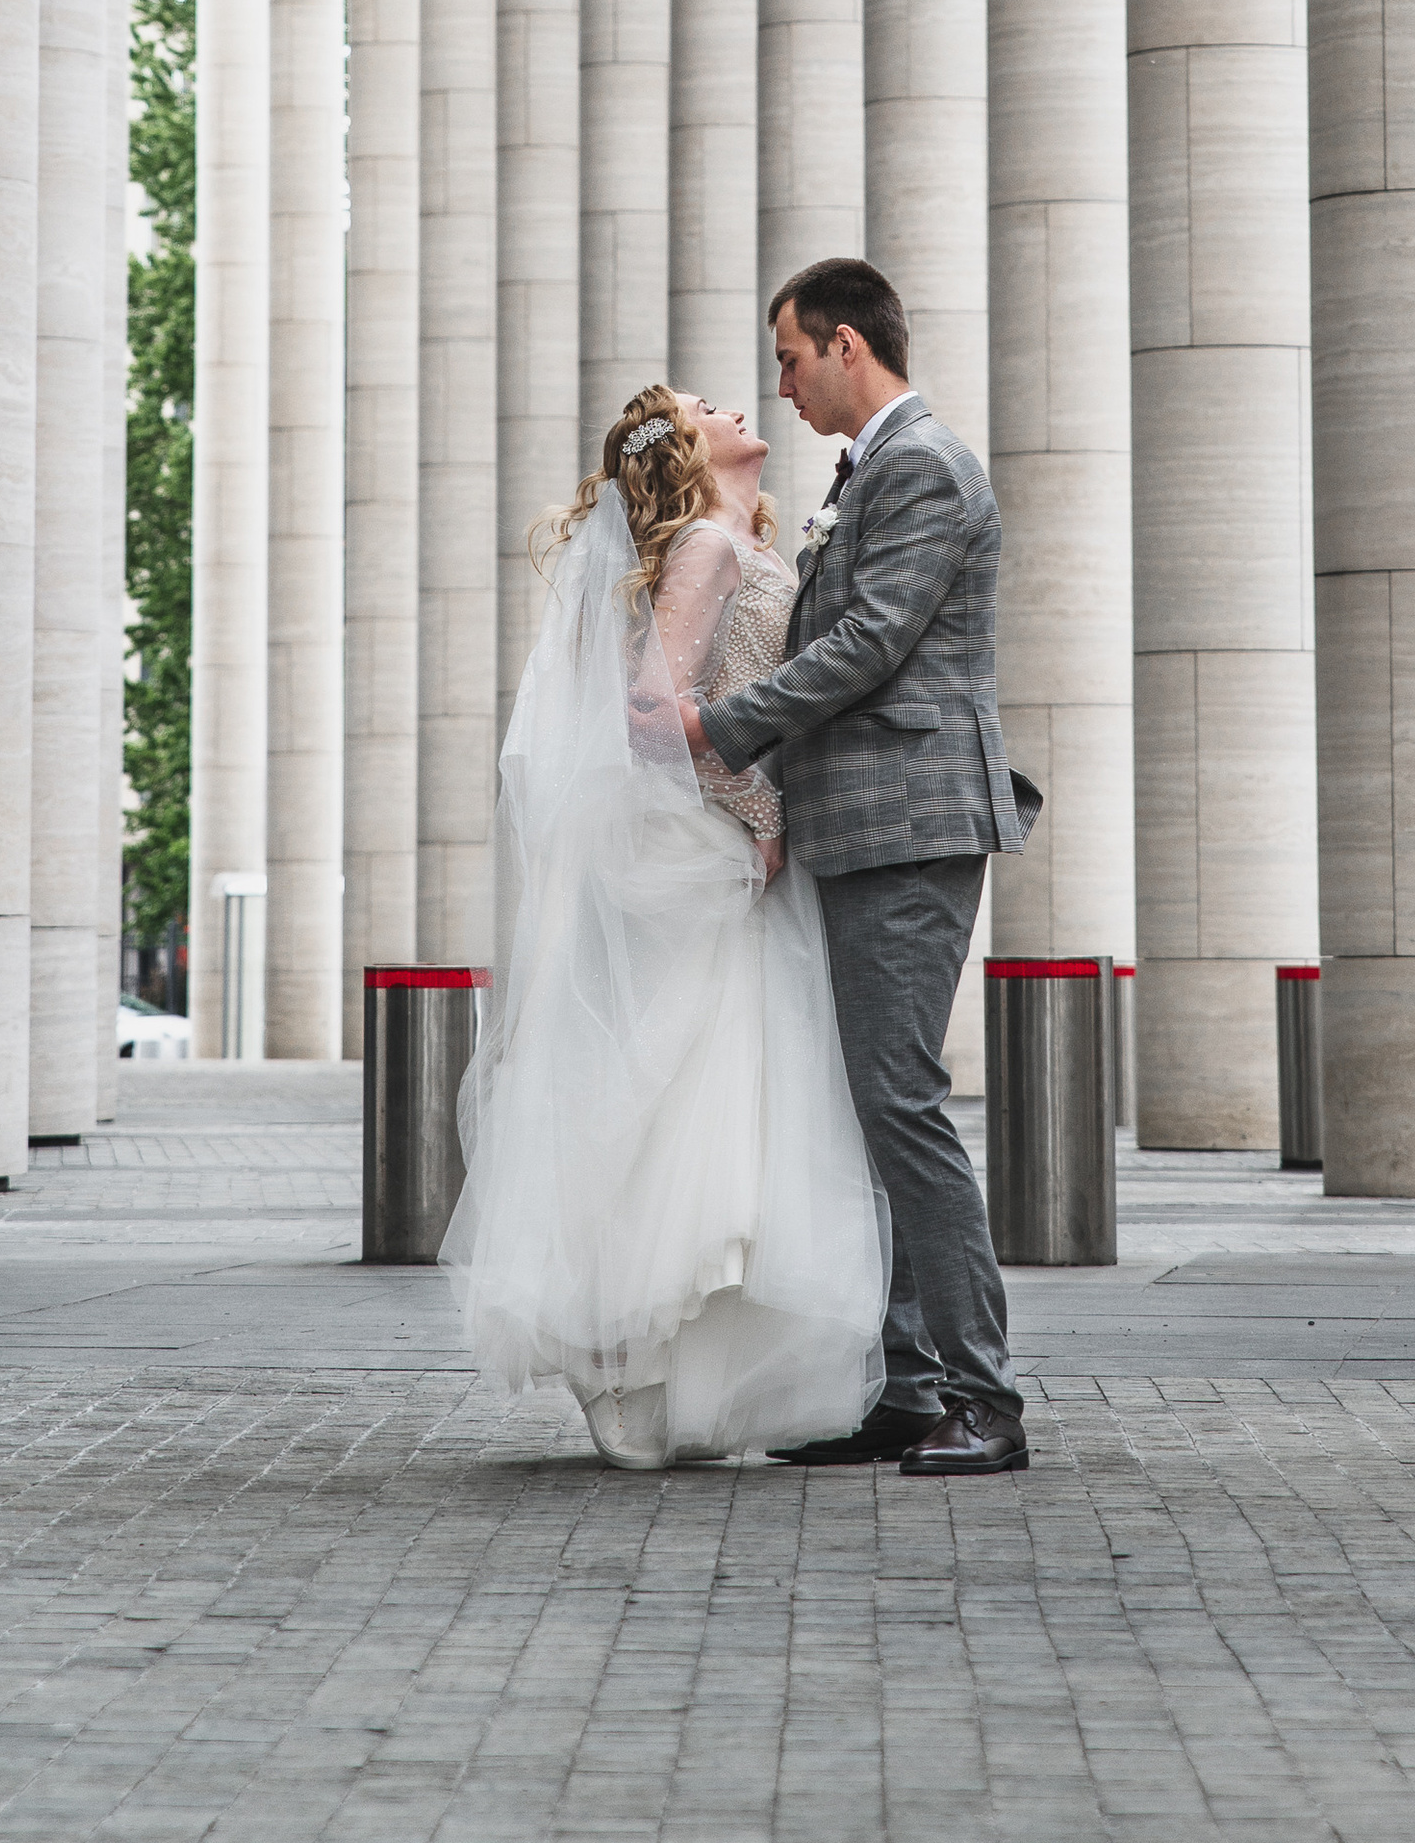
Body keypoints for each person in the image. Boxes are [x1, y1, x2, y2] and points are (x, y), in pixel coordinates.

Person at [440, 383, 890, 1470]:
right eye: (705, 403)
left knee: (714, 1099)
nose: (735, 400)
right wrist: (757, 807)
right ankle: (628, 1360)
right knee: (676, 1096)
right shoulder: (703, 546)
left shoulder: (739, 533)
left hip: (720, 842)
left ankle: (674, 1377)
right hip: (697, 849)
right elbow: (649, 709)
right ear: (685, 447)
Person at [672, 255, 1035, 1480]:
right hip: (861, 823)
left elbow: (874, 641)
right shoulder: (872, 469)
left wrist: (725, 725)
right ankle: (909, 1381)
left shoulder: (924, 464)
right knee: (878, 1109)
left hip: (910, 819)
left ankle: (983, 1395)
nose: (779, 384)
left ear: (842, 342)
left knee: (902, 1104)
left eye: (787, 357)